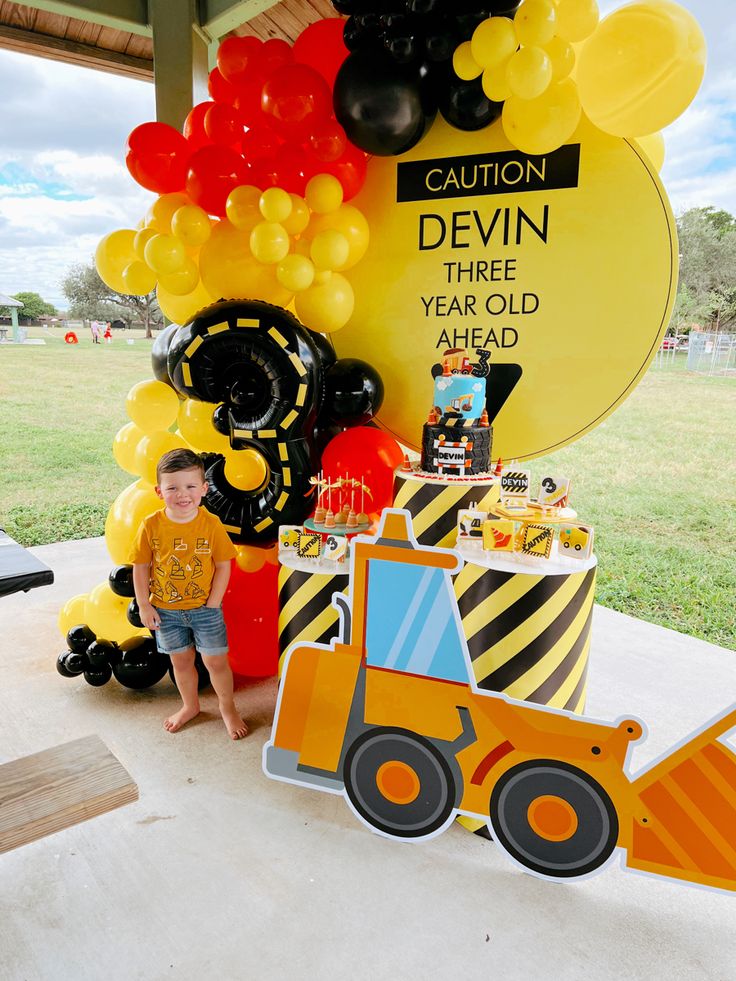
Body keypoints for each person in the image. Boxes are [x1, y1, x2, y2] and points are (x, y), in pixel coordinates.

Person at [131, 448, 248, 739]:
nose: (182, 494)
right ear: (159, 491)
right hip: (166, 612)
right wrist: (144, 605)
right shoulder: (151, 526)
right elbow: (141, 566)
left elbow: (223, 565)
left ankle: (228, 707)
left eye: (191, 486)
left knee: (215, 662)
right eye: (173, 487)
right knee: (180, 662)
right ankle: (190, 705)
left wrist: (213, 602)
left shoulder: (211, 525)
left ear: (204, 489)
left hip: (205, 611)